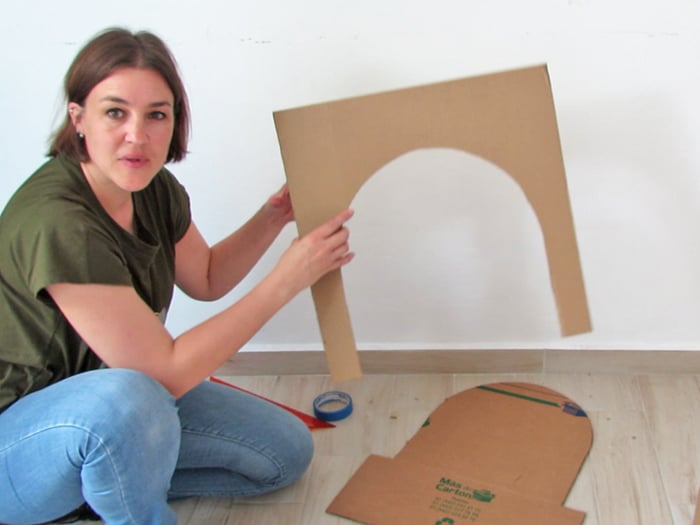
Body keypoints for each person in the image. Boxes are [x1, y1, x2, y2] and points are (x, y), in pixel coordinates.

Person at [0, 27, 354, 525]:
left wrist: (274, 216)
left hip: (107, 406)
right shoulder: (59, 222)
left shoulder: (149, 185)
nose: (137, 135)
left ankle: (96, 492)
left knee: (282, 453)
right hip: (19, 441)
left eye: (156, 115)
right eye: (115, 112)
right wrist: (286, 282)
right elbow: (162, 373)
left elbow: (206, 276)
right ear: (78, 118)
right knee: (130, 397)